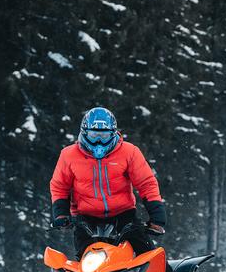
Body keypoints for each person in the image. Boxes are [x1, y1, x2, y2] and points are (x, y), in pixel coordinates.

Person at [50, 107, 166, 257]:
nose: (98, 141)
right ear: (84, 133)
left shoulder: (129, 152)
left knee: (148, 255)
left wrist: (157, 216)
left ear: (113, 134)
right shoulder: (69, 155)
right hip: (86, 217)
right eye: (93, 135)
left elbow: (146, 183)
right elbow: (60, 186)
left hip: (123, 215)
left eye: (104, 136)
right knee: (84, 261)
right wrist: (61, 215)